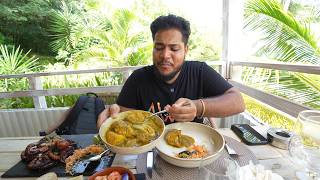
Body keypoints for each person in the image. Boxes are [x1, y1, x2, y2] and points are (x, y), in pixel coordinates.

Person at [97, 14, 245, 128]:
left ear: (185, 50)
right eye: (159, 48)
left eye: (174, 48)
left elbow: (238, 102)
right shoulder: (138, 79)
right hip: (150, 153)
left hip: (192, 152)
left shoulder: (199, 71)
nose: (165, 55)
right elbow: (122, 114)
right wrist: (111, 116)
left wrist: (198, 107)